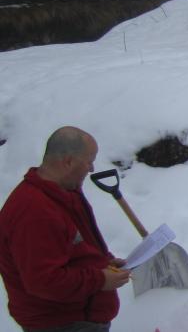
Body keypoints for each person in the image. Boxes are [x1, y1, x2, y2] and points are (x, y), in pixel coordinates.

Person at [0, 127, 131, 332]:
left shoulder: (61, 193)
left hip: (79, 319)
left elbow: (71, 248)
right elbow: (44, 281)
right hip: (62, 324)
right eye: (89, 161)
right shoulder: (34, 211)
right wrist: (100, 279)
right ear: (68, 161)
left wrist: (102, 262)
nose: (92, 169)